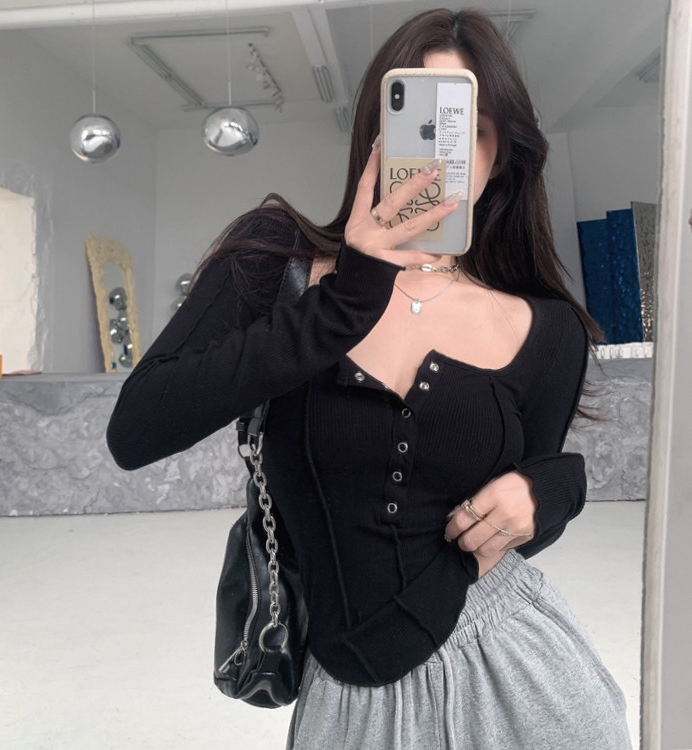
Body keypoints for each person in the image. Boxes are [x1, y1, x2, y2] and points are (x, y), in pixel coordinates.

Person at [107, 8, 631, 749]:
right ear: (377, 131)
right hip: (350, 701)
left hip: (526, 677)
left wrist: (554, 490)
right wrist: (345, 299)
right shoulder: (271, 265)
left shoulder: (545, 329)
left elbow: (515, 531)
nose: (445, 153)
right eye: (425, 121)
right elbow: (136, 430)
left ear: (501, 157)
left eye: (473, 128)